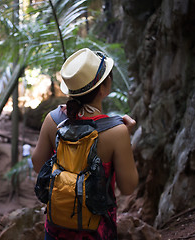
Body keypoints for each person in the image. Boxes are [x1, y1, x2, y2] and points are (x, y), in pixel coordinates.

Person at [32, 48, 138, 240]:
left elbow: (38, 164)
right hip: (96, 232)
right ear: (104, 87)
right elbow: (128, 187)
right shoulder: (117, 131)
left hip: (56, 230)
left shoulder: (52, 120)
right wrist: (124, 138)